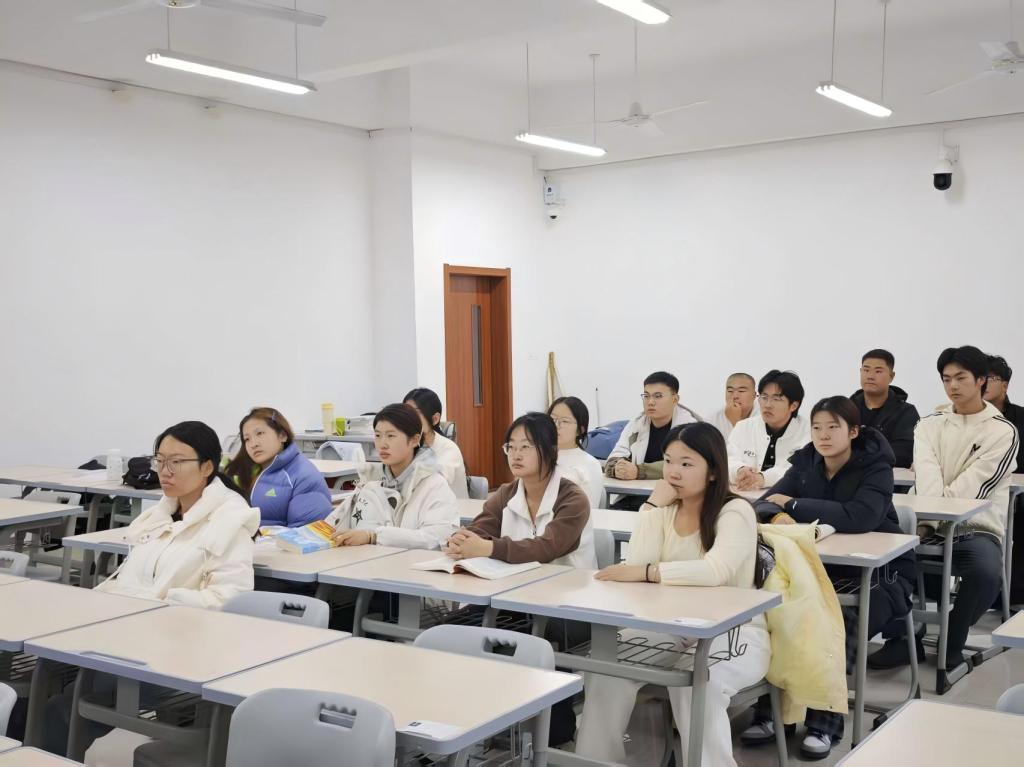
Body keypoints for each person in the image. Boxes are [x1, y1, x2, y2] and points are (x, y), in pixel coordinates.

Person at [44, 422, 259, 758]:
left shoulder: (229, 523)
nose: (164, 470)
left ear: (207, 467)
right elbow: (127, 581)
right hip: (130, 640)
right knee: (47, 671)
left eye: (177, 461)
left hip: (180, 654)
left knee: (61, 706)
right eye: (160, 460)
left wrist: (153, 605)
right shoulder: (161, 516)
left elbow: (229, 601)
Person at [575, 423, 770, 766]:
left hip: (735, 632)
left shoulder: (735, 511)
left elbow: (715, 571)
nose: (673, 472)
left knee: (696, 683)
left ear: (713, 471)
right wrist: (651, 507)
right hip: (671, 626)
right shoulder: (665, 509)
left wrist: (651, 573)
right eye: (668, 461)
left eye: (686, 463)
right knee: (605, 666)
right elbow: (637, 563)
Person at [743, 396, 916, 759]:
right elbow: (763, 503)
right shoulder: (807, 461)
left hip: (882, 575)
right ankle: (777, 714)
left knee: (838, 617)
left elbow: (861, 516)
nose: (823, 435)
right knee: (782, 612)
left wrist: (793, 505)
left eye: (833, 427)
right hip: (820, 568)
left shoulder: (876, 466)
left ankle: (825, 724)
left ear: (853, 431)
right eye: (817, 427)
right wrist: (778, 513)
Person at [868, 346, 1019, 687]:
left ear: (980, 381)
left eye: (961, 378)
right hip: (924, 520)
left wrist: (931, 518)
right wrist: (927, 521)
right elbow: (926, 478)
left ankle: (954, 634)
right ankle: (902, 637)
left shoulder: (1002, 430)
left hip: (975, 527)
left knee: (985, 571)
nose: (952, 386)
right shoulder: (928, 424)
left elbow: (973, 489)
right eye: (946, 379)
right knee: (883, 562)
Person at [447, 412, 596, 569]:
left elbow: (546, 548)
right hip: (516, 579)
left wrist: (489, 548)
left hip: (568, 581)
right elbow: (480, 529)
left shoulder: (573, 499)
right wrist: (460, 540)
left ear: (551, 451)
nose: (516, 455)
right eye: (511, 447)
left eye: (525, 447)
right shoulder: (506, 494)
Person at [328, 403, 458, 550]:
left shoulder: (434, 485)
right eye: (378, 435)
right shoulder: (371, 482)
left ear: (414, 440)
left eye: (391, 436)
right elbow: (337, 522)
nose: (382, 444)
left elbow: (437, 538)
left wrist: (374, 536)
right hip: (371, 560)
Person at [604, 371, 701, 509]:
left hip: (676, 499)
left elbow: (681, 466)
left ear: (675, 400)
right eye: (646, 396)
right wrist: (617, 468)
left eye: (658, 396)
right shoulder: (637, 423)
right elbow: (615, 456)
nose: (650, 402)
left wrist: (639, 471)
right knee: (611, 514)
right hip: (636, 496)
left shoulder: (690, 427)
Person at [224, 407, 332, 528]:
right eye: (247, 439)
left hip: (274, 541)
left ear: (282, 435)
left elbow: (306, 534)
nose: (253, 444)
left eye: (260, 433)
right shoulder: (246, 471)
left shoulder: (303, 477)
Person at [984, 355, 1024, 605]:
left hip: (1015, 493)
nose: (984, 383)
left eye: (990, 378)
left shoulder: (1020, 417)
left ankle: (1013, 594)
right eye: (980, 378)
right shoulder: (965, 417)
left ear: (1005, 385)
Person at [727, 370, 810, 491]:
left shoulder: (808, 431)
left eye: (776, 399)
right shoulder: (743, 427)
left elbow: (801, 470)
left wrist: (763, 478)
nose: (767, 405)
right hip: (744, 494)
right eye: (764, 397)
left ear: (793, 405)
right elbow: (727, 460)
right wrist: (740, 470)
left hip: (786, 497)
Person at [850, 349, 919, 469]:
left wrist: (859, 456)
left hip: (889, 477)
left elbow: (904, 453)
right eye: (866, 370)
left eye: (878, 371)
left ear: (891, 376)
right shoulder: (845, 409)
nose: (870, 376)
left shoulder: (906, 412)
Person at [404, 387, 469, 498]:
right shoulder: (409, 445)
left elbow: (434, 484)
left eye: (414, 414)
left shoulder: (448, 449)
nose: (407, 420)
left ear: (435, 419)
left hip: (451, 507)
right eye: (405, 414)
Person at [547, 395, 605, 508]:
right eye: (552, 419)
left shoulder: (590, 464)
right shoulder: (538, 457)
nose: (556, 425)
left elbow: (589, 509)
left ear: (581, 429)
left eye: (565, 421)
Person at [710, 372, 758, 439]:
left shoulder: (764, 417)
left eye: (741, 391)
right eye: (730, 391)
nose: (735, 396)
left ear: (754, 395)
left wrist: (736, 422)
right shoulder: (713, 420)